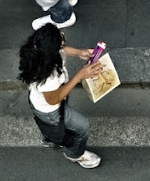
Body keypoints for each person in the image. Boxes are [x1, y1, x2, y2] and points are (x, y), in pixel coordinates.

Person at [19, 23, 102, 168]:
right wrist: (79, 76)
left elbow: (61, 50)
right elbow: (53, 100)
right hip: (50, 110)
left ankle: (49, 139)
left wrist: (79, 53)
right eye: (60, 40)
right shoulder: (49, 78)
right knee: (82, 127)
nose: (63, 37)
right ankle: (74, 154)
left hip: (38, 102)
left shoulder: (38, 52)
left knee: (49, 126)